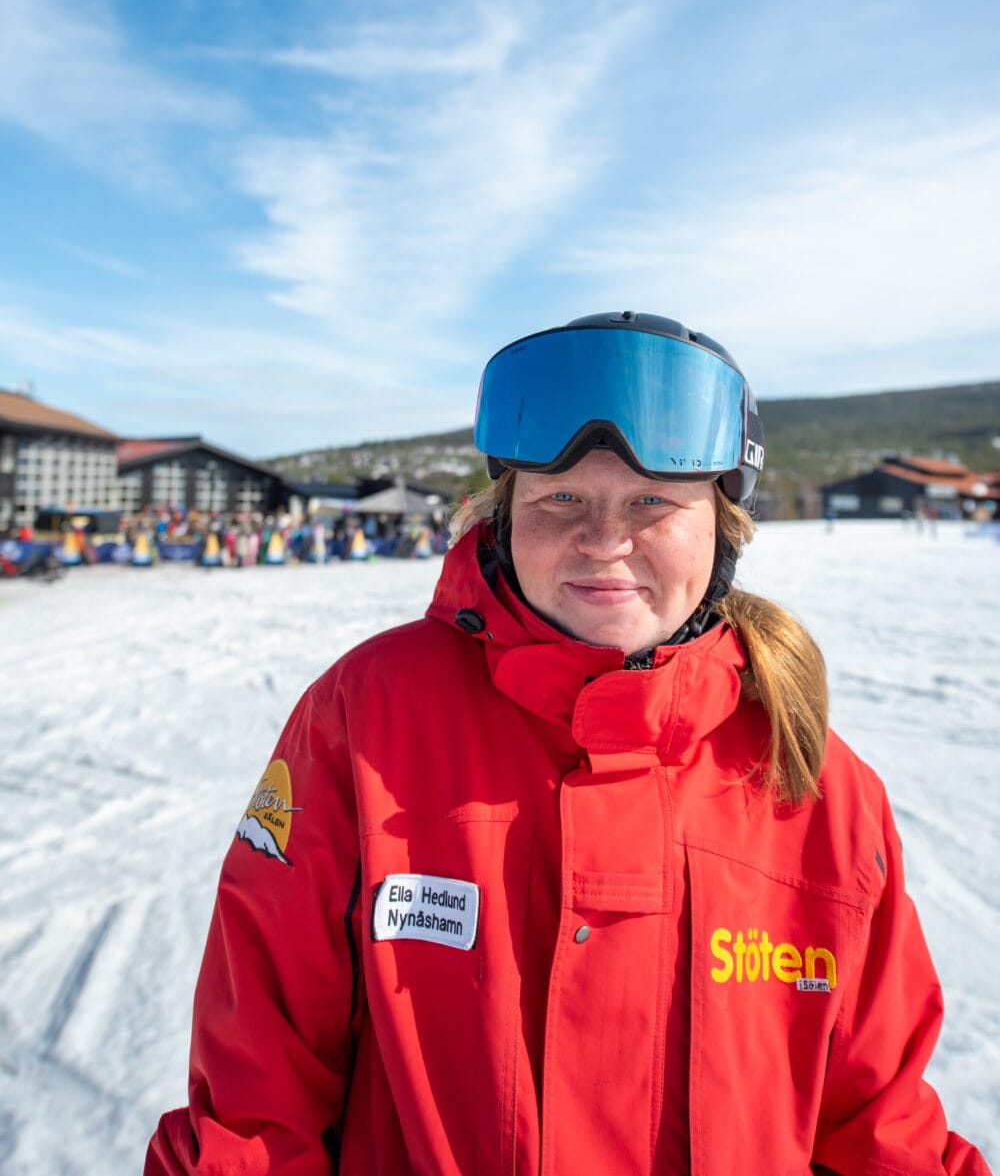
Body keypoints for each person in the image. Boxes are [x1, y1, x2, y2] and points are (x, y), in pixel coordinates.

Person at [146, 311, 990, 1175]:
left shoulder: (822, 789)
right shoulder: (367, 717)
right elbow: (256, 1108)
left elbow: (881, 1132)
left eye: (653, 502)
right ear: (505, 515)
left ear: (722, 528)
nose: (604, 539)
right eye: (561, 500)